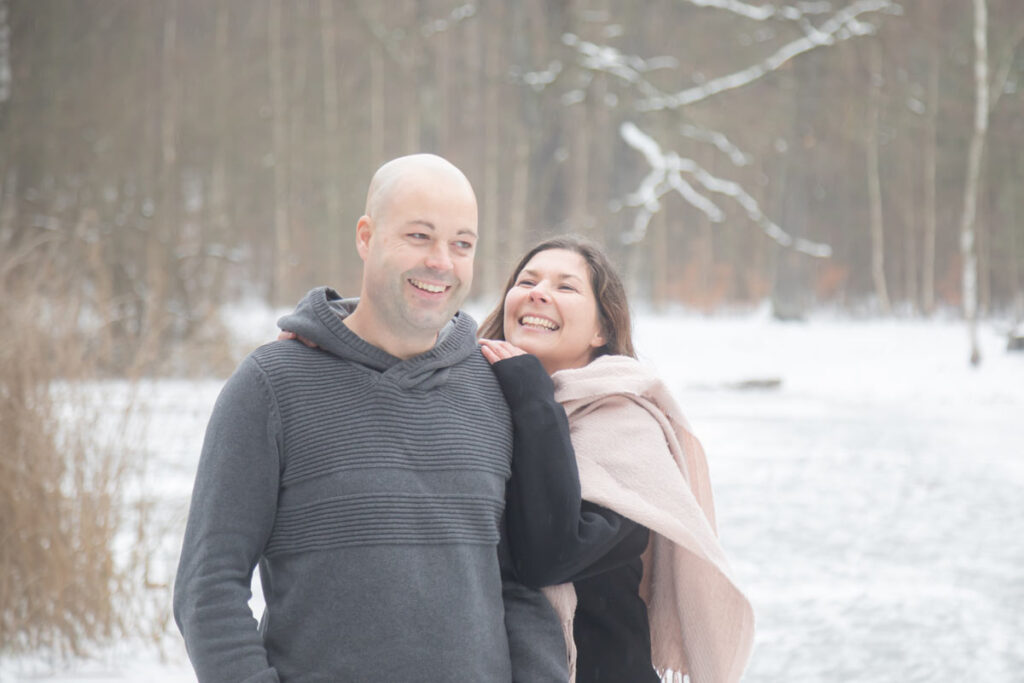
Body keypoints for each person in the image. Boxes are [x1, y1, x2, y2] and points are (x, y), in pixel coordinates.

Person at [173, 154, 567, 682]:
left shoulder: (494, 388)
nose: (442, 262)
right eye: (419, 236)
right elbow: (208, 589)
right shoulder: (272, 386)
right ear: (366, 236)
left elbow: (518, 585)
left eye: (462, 244)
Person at [477, 235, 755, 683]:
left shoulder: (627, 431)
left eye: (566, 287)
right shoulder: (473, 403)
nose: (538, 292)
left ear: (601, 331)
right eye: (527, 280)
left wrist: (535, 397)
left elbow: (549, 554)